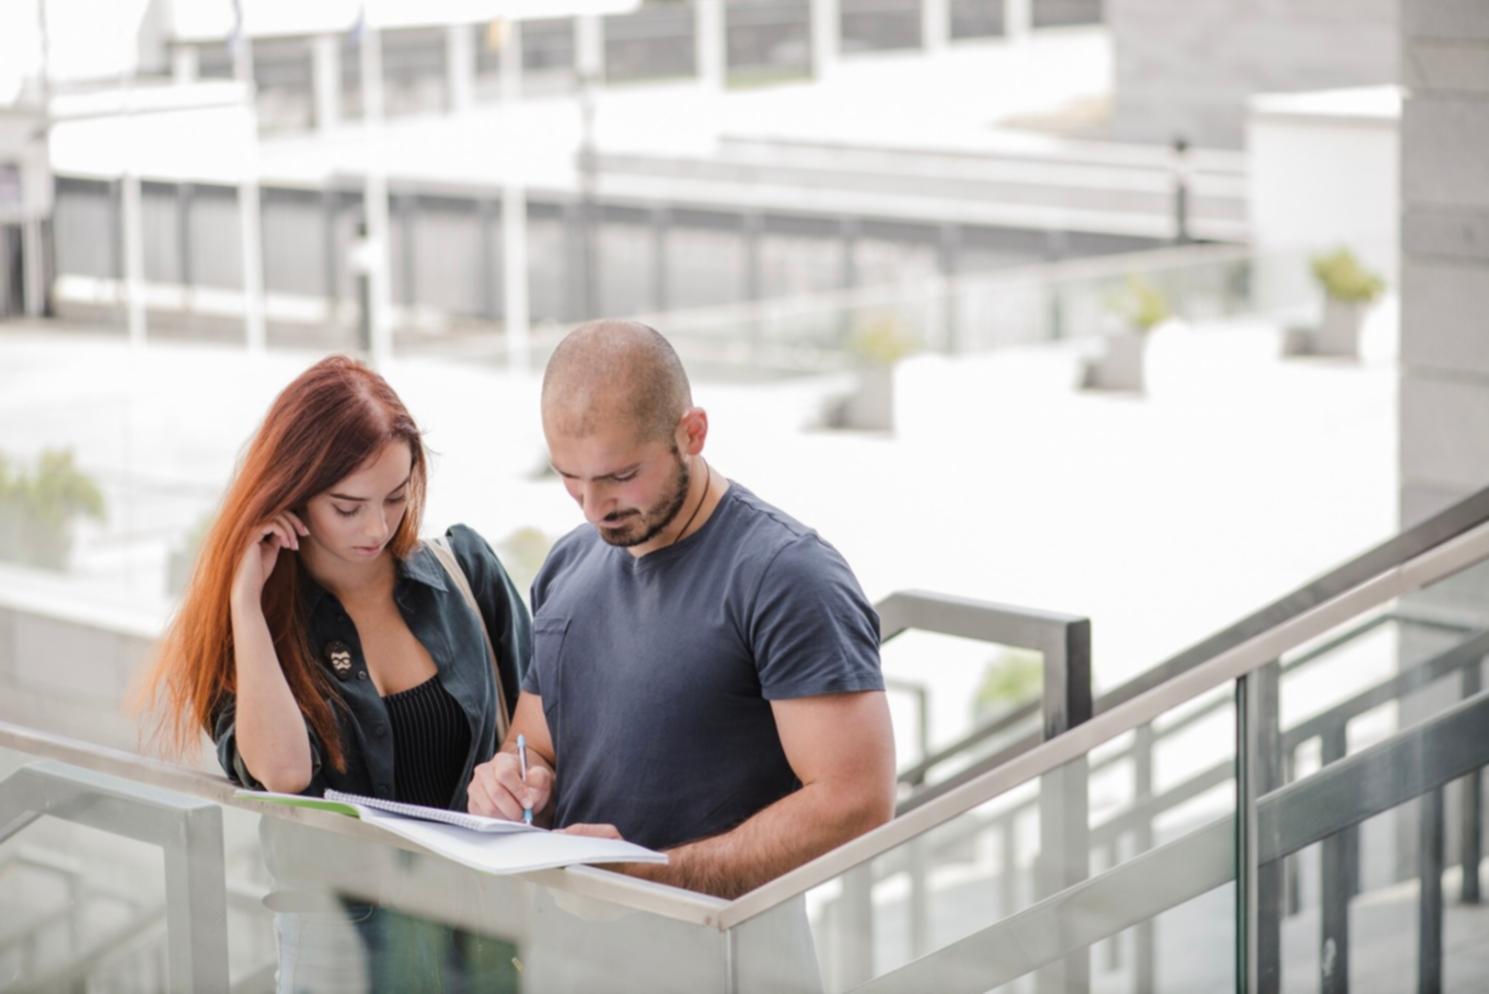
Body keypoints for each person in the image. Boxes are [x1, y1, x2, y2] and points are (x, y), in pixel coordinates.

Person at [467, 320, 896, 901]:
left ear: (692, 433)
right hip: (571, 950)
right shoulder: (569, 562)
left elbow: (856, 803)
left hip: (725, 958)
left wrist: (650, 878)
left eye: (621, 476)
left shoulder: (788, 576)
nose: (594, 508)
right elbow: (535, 745)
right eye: (570, 478)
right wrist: (513, 783)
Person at [141, 355, 531, 993]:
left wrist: (522, 779)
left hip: (477, 932)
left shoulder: (463, 573)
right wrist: (246, 603)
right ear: (291, 492)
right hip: (337, 948)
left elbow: (539, 728)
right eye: (347, 508)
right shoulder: (254, 625)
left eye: (396, 498)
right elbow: (287, 775)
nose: (377, 528)